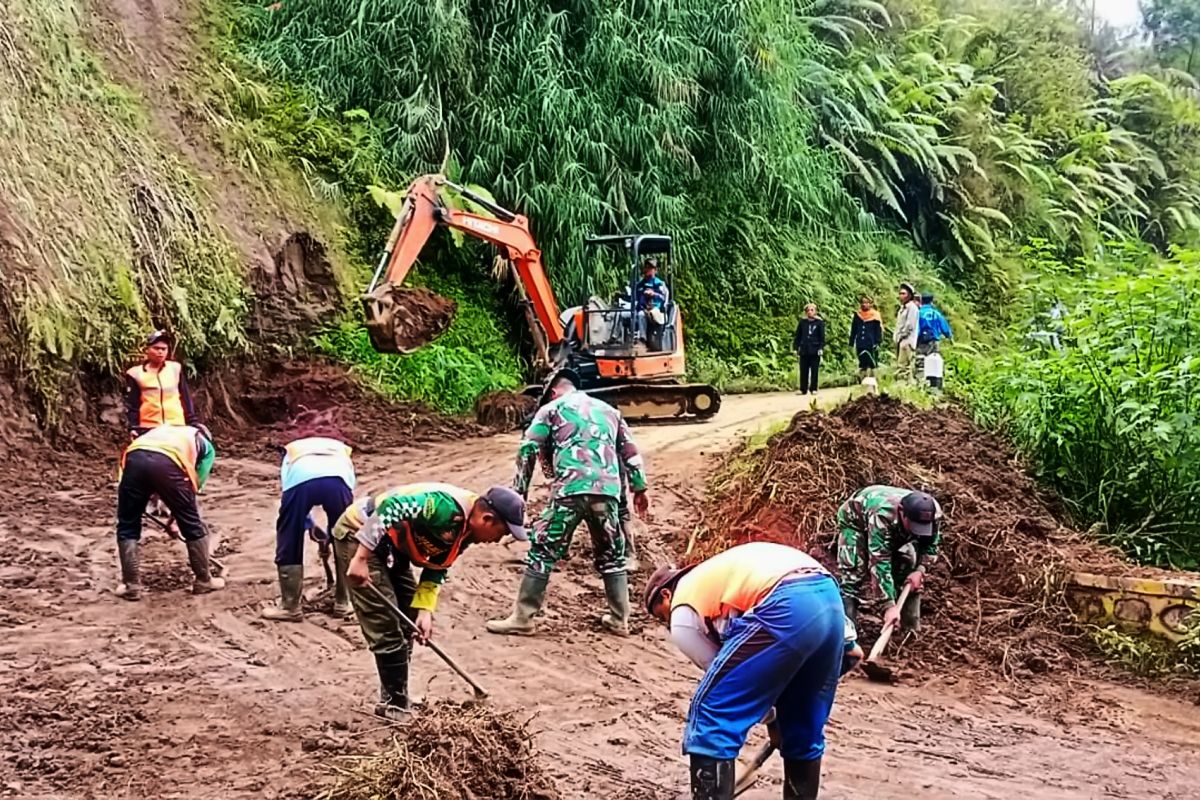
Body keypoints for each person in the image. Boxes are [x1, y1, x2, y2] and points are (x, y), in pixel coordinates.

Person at [643, 542, 863, 800]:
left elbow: (734, 683)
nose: (667, 624)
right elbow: (853, 652)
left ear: (666, 596)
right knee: (802, 722)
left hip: (786, 603)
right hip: (828, 597)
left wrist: (771, 719)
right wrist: (781, 718)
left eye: (660, 616)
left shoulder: (682, 610)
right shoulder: (722, 577)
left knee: (712, 711)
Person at [334, 482, 527, 719]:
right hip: (360, 534)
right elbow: (392, 507)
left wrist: (424, 610)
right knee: (385, 624)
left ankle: (396, 696)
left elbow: (438, 566)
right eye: (503, 532)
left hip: (393, 546)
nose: (498, 540)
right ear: (488, 519)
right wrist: (361, 558)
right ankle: (395, 705)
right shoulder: (443, 507)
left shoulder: (467, 532)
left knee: (409, 622)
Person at [487, 367, 649, 637]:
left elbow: (528, 449)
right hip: (607, 492)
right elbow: (630, 452)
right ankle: (620, 619)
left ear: (552, 392)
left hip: (570, 491)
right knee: (612, 555)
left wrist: (519, 495)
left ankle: (523, 617)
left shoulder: (551, 409)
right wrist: (639, 488)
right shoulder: (609, 411)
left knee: (543, 549)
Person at [114, 425, 223, 600]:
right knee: (192, 524)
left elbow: (144, 473)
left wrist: (136, 502)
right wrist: (179, 519)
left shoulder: (161, 432)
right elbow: (191, 489)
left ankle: (131, 585)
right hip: (166, 464)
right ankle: (204, 580)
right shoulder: (206, 447)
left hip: (134, 459)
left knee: (128, 524)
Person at [262, 435, 357, 622]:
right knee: (346, 536)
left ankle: (290, 606)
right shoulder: (342, 452)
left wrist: (306, 523)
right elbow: (347, 492)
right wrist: (331, 534)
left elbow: (290, 491)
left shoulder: (291, 453)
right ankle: (344, 603)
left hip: (301, 479)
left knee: (289, 534)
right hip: (338, 480)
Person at [835, 485, 942, 633]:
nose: (917, 531)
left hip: (894, 527)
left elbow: (930, 546)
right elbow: (879, 562)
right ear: (902, 513)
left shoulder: (933, 513)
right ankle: (846, 634)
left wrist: (919, 570)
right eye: (914, 525)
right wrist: (888, 606)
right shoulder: (882, 514)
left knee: (908, 564)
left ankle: (910, 629)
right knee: (853, 572)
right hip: (855, 520)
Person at [124, 330, 199, 438]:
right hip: (148, 427)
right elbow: (133, 404)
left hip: (176, 425)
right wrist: (133, 427)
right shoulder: (135, 374)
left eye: (164, 349)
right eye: (156, 348)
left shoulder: (175, 369)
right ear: (147, 350)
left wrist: (193, 422)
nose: (160, 352)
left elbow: (185, 397)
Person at [792, 303, 826, 395]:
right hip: (804, 349)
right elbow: (797, 336)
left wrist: (821, 348)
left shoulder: (819, 323)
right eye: (808, 310)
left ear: (815, 311)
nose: (810, 312)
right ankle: (803, 389)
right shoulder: (802, 322)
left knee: (814, 370)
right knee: (803, 370)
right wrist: (795, 348)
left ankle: (814, 388)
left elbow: (822, 337)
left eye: (812, 310)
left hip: (815, 350)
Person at [636, 258, 669, 347]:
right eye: (646, 267)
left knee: (641, 315)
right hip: (642, 308)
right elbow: (634, 298)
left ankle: (643, 339)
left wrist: (653, 294)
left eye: (650, 268)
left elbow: (664, 298)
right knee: (622, 314)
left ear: (655, 270)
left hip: (655, 310)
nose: (647, 270)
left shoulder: (659, 284)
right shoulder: (640, 284)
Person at [849, 295, 883, 379]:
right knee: (862, 361)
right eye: (863, 303)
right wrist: (851, 342)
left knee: (871, 362)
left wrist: (878, 342)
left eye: (867, 303)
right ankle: (862, 379)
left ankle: (871, 379)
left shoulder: (875, 315)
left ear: (870, 304)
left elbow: (878, 330)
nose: (864, 304)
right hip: (860, 342)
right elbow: (854, 329)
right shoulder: (858, 315)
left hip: (871, 342)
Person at [893, 284, 920, 383]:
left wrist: (901, 336)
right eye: (900, 293)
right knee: (902, 365)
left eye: (903, 294)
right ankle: (908, 385)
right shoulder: (902, 308)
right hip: (900, 340)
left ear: (909, 295)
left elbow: (909, 325)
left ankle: (902, 386)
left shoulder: (912, 308)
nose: (901, 296)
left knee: (903, 366)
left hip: (907, 341)